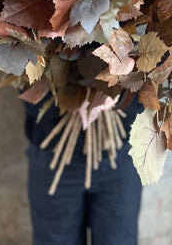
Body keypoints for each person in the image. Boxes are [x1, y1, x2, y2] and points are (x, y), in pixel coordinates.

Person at [24, 93, 143, 245]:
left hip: (120, 152)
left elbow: (152, 82)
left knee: (118, 238)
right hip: (52, 153)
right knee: (55, 238)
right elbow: (26, 87)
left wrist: (119, 96)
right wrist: (69, 99)